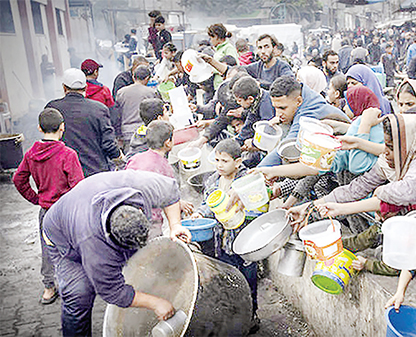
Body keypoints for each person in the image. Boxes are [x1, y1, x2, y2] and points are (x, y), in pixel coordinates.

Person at [42, 170, 191, 337]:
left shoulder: (139, 186)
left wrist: (175, 225)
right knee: (79, 294)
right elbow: (112, 291)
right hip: (61, 236)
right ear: (111, 239)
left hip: (83, 207)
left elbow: (170, 191)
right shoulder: (94, 246)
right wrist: (155, 303)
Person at [287, 114, 416, 275]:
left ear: (407, 144)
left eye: (390, 147)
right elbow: (357, 188)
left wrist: (380, 192)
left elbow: (408, 191)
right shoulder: (398, 157)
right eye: (385, 146)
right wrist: (309, 207)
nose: (385, 152)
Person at [12, 108, 84, 305]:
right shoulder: (68, 154)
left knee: (47, 248)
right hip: (66, 211)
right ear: (62, 127)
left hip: (46, 211)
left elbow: (18, 179)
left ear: (39, 128)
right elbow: (78, 187)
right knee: (73, 246)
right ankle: (75, 285)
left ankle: (48, 288)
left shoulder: (31, 154)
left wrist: (36, 199)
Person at [197, 139, 260, 333]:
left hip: (246, 242)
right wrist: (200, 213)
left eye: (224, 161)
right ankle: (234, 318)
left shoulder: (246, 181)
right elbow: (208, 205)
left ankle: (251, 316)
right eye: (216, 160)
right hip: (221, 241)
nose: (219, 165)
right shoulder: (213, 181)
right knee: (228, 281)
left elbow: (258, 207)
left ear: (238, 162)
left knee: (248, 280)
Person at [45, 68, 123, 176]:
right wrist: (119, 157)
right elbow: (108, 143)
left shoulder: (52, 108)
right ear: (85, 87)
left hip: (63, 173)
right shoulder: (99, 109)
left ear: (64, 87)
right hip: (94, 171)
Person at [258, 76, 349, 167]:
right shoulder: (306, 96)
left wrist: (257, 173)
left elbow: (286, 146)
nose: (278, 114)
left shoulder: (308, 114)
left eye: (282, 108)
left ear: (299, 101)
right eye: (276, 108)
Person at [202, 34, 293, 90]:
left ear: (274, 48)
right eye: (260, 48)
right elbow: (232, 70)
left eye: (266, 47)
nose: (263, 51)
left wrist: (260, 84)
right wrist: (210, 61)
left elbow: (288, 83)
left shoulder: (282, 66)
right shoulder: (257, 67)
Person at [115, 65, 158, 153]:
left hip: (127, 133)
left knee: (131, 162)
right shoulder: (151, 93)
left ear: (133, 77)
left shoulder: (121, 93)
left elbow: (117, 116)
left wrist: (118, 136)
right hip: (146, 133)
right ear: (147, 78)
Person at [208, 23, 238, 88]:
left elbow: (233, 67)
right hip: (218, 86)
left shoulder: (228, 48)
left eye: (212, 37)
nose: (211, 40)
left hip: (227, 86)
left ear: (217, 36)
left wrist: (214, 69)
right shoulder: (218, 50)